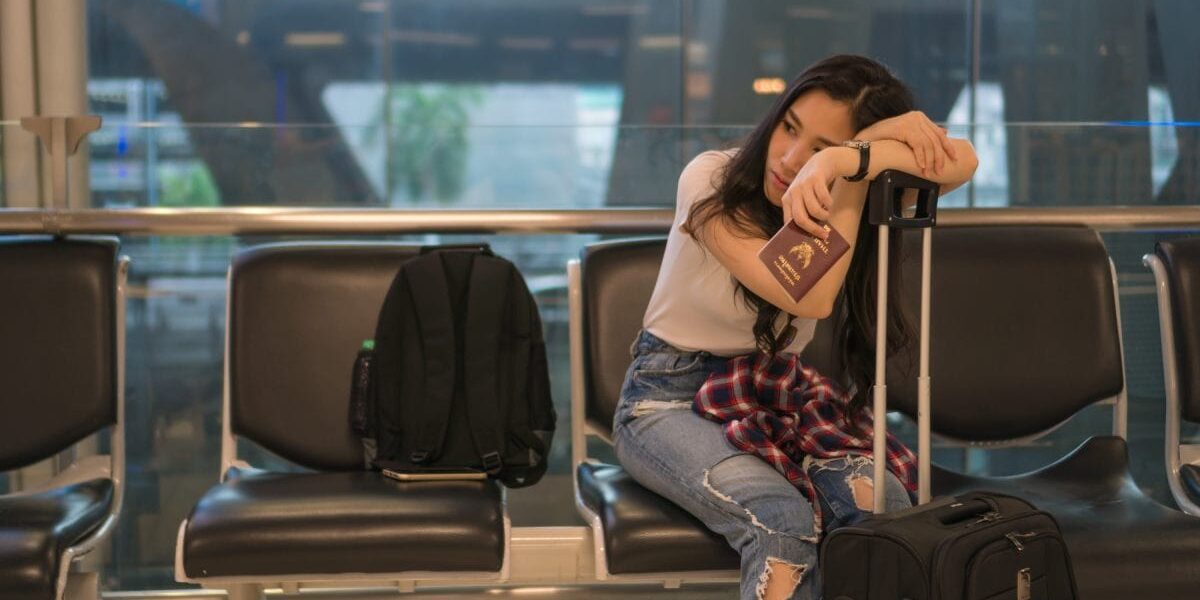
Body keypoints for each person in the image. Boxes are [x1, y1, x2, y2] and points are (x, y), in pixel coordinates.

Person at [611, 55, 979, 600]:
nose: (789, 159)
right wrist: (852, 167)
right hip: (666, 402)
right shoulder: (709, 180)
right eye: (789, 127)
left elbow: (964, 160)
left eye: (818, 147)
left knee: (881, 507)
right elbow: (808, 293)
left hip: (776, 394)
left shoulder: (841, 177)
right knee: (780, 520)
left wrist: (844, 162)